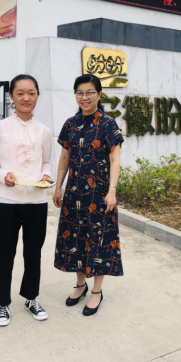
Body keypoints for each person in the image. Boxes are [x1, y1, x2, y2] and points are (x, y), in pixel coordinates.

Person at [0, 74, 54, 327]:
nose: (26, 98)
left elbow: (46, 161)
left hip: (37, 201)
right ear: (11, 96)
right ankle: (3, 303)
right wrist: (4, 175)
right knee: (4, 254)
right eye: (20, 93)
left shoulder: (44, 131)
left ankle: (31, 298)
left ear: (37, 96)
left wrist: (46, 175)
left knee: (33, 253)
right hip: (6, 201)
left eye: (31, 93)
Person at [53, 74, 124, 317]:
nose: (85, 97)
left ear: (99, 95)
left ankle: (96, 291)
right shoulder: (70, 124)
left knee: (99, 241)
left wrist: (112, 191)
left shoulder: (108, 125)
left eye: (90, 92)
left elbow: (115, 160)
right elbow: (64, 158)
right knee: (75, 239)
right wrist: (58, 187)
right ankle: (80, 285)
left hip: (100, 195)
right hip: (74, 194)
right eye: (80, 93)